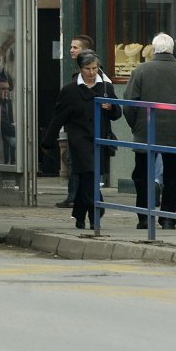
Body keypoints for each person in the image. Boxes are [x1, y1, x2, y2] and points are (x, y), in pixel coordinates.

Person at [41, 51, 122, 229]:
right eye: (87, 68)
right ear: (80, 69)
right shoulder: (70, 90)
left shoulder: (106, 87)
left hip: (99, 140)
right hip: (79, 141)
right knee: (89, 176)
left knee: (88, 179)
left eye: (95, 68)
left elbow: (117, 114)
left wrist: (110, 107)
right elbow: (58, 117)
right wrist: (47, 142)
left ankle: (79, 214)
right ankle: (95, 216)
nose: (92, 72)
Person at [124, 33, 176, 229]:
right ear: (172, 50)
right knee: (174, 176)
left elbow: (129, 104)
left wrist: (136, 126)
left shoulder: (141, 71)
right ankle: (168, 218)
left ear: (154, 50)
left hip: (146, 132)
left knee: (143, 175)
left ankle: (146, 217)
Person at [55, 34, 101, 209]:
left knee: (84, 169)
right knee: (78, 167)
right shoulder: (76, 77)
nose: (71, 50)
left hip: (89, 132)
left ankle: (81, 200)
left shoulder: (98, 79)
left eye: (75, 47)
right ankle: (78, 198)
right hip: (78, 131)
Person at [0, 75, 16, 165]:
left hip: (8, 159)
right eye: (3, 88)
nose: (6, 91)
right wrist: (17, 129)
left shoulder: (8, 104)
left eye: (8, 89)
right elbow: (3, 126)